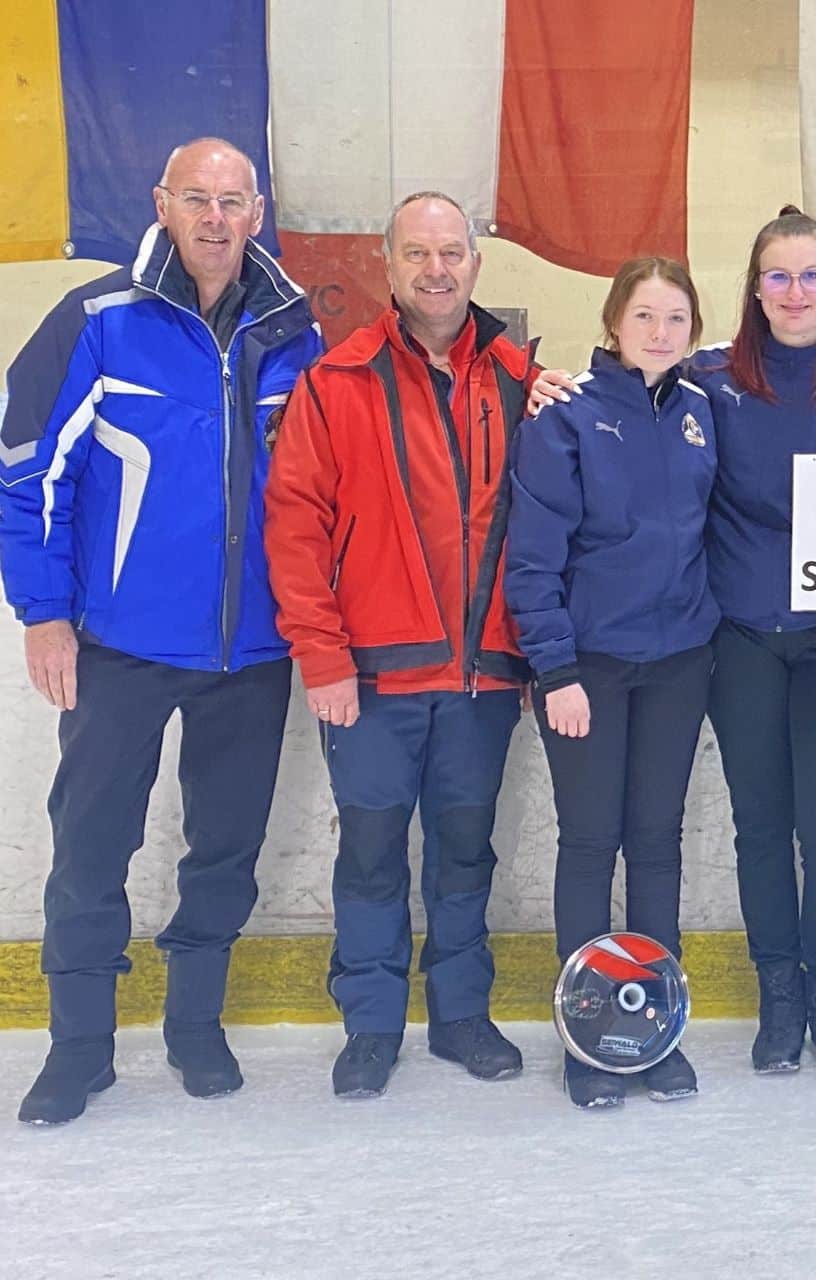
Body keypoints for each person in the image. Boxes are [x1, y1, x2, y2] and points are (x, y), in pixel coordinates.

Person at [531, 207, 816, 1077]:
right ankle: (778, 999)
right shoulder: (708, 381)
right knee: (759, 829)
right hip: (737, 644)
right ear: (754, 288)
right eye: (777, 275)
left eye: (812, 274)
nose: (795, 292)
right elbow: (631, 378)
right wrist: (537, 378)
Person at [0, 138, 321, 1124]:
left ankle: (193, 1024)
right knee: (91, 846)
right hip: (121, 648)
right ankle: (80, 1046)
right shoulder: (97, 321)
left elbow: (329, 488)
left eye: (232, 201)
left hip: (251, 652)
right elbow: (24, 471)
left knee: (224, 850)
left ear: (256, 213)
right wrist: (44, 611)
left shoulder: (293, 331)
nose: (215, 218)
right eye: (197, 198)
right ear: (163, 205)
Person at [264, 191, 536, 1099]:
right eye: (417, 253)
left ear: (474, 264)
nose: (436, 269)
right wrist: (324, 657)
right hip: (373, 681)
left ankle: (460, 1016)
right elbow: (295, 529)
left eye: (451, 252)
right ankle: (372, 1025)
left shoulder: (519, 379)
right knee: (372, 855)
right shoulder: (334, 381)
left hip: (482, 680)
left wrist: (535, 655)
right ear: (389, 266)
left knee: (465, 856)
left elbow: (546, 526)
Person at [504, 257, 718, 1109]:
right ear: (613, 325)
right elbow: (533, 558)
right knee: (591, 843)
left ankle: (654, 1025)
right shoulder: (566, 418)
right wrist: (553, 668)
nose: (660, 333)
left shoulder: (705, 412)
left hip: (678, 663)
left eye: (675, 319)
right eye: (645, 317)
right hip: (586, 669)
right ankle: (589, 1035)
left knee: (657, 844)